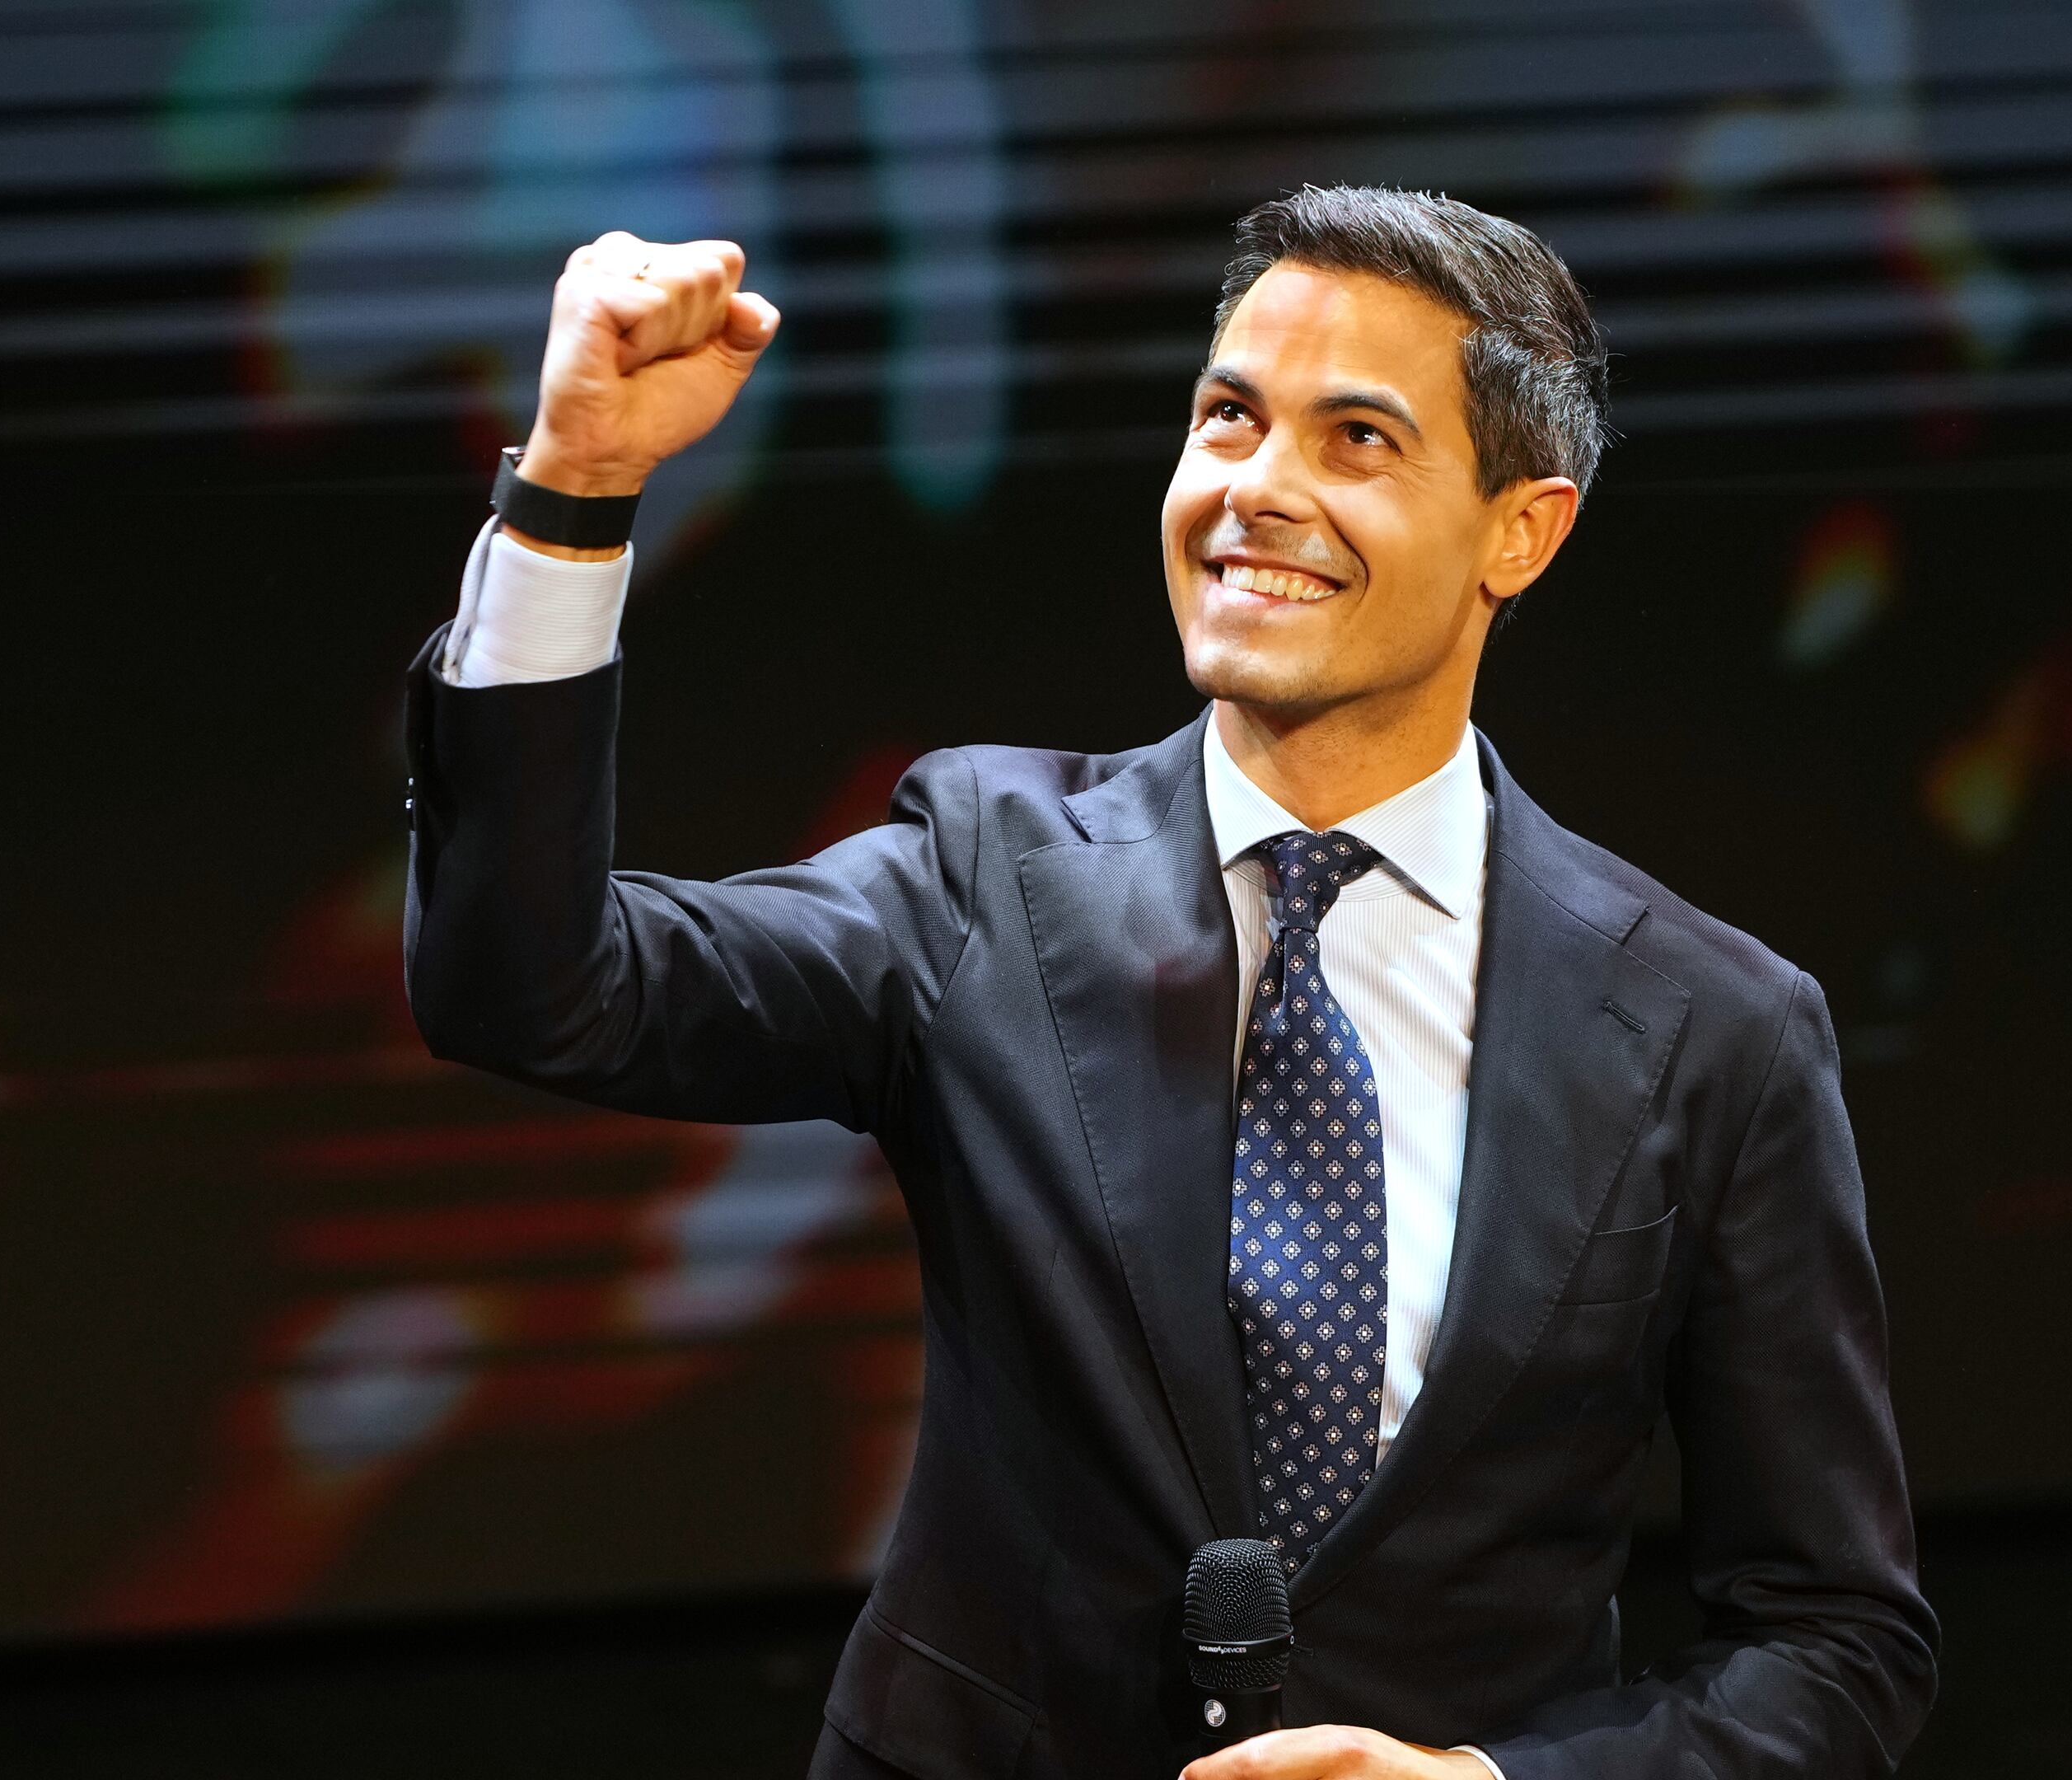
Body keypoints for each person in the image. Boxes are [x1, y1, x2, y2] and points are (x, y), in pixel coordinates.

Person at [402, 185, 1936, 1779]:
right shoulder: (985, 873)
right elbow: (532, 987)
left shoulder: (1714, 1028)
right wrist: (575, 488)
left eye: (1357, 439)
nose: (1256, 489)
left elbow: (1837, 1641)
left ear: (1521, 533)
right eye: (1229, 417)